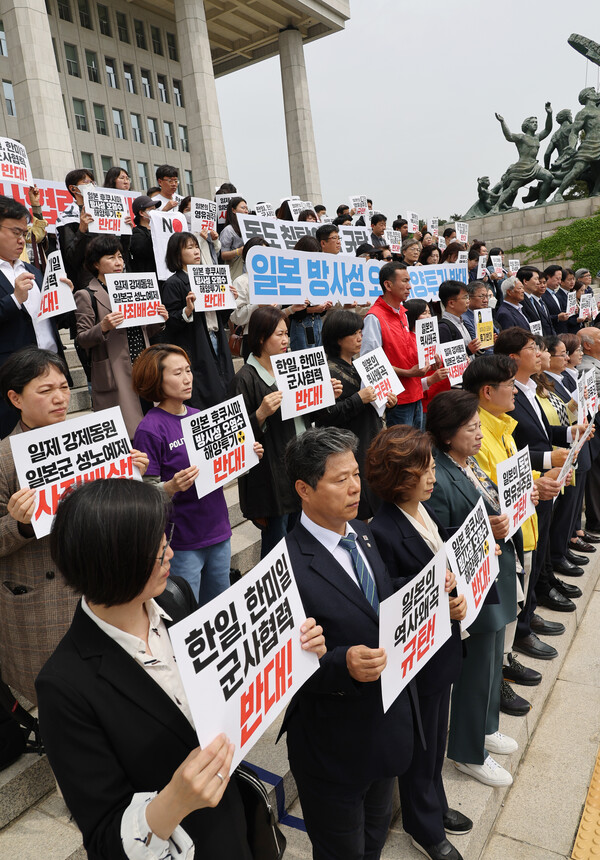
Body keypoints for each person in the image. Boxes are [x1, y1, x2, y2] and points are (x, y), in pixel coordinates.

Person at [36, 478, 325, 859]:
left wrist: (289, 649)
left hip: (233, 826)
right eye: (158, 552)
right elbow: (105, 840)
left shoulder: (175, 598)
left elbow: (225, 677)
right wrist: (173, 801)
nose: (171, 553)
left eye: (165, 539)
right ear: (115, 566)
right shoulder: (64, 685)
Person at [281, 427, 418, 860]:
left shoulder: (360, 531)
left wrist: (426, 588)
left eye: (356, 474)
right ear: (304, 488)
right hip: (333, 748)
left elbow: (376, 595)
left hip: (383, 730)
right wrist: (343, 663)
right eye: (340, 479)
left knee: (374, 837)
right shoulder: (283, 568)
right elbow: (281, 669)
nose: (356, 487)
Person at [367, 426, 469, 860]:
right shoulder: (383, 530)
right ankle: (423, 826)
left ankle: (435, 801)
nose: (432, 477)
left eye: (431, 467)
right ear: (396, 478)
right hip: (417, 659)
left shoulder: (422, 513)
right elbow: (390, 596)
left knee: (434, 740)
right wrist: (436, 600)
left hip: (441, 648)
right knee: (422, 743)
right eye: (422, 470)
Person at [426, 390, 519, 787]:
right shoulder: (439, 475)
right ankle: (467, 751)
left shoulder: (471, 462)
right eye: (471, 428)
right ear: (447, 434)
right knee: (477, 664)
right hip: (471, 583)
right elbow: (442, 536)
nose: (480, 435)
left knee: (493, 656)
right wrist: (486, 531)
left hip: (493, 572)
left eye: (480, 426)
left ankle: (486, 725)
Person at [460, 356, 555, 706]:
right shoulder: (478, 435)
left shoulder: (501, 424)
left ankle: (505, 661)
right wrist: (533, 487)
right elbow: (489, 490)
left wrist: (536, 482)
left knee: (515, 604)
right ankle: (497, 674)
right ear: (487, 391)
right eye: (509, 386)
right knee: (503, 610)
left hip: (521, 527)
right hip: (505, 536)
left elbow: (507, 478)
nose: (515, 391)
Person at [132, 345, 238, 603]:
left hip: (218, 528)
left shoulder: (199, 416)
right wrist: (171, 487)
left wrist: (244, 453)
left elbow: (219, 469)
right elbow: (145, 493)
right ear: (156, 380)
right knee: (187, 612)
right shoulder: (150, 428)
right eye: (177, 373)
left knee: (220, 605)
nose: (187, 378)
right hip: (183, 540)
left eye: (188, 371)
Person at [494, 328, 579, 624]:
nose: (540, 353)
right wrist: (546, 458)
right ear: (512, 357)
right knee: (530, 549)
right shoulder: (506, 396)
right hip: (529, 482)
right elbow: (511, 453)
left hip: (544, 479)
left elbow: (543, 433)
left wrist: (570, 432)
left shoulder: (528, 388)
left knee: (541, 544)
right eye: (533, 348)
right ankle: (525, 617)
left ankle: (538, 594)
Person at [228, 307, 307, 557]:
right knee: (277, 544)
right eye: (279, 335)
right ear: (261, 337)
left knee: (300, 538)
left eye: (287, 334)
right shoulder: (245, 378)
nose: (286, 340)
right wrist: (260, 414)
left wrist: (326, 394)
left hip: (299, 462)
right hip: (271, 474)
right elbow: (234, 435)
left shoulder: (291, 366)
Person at [75, 235, 167, 438]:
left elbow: (143, 330)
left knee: (151, 418)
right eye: (111, 257)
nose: (118, 262)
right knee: (126, 430)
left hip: (142, 363)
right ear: (95, 263)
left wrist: (158, 318)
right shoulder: (86, 294)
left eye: (120, 257)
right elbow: (82, 338)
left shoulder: (134, 286)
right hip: (113, 370)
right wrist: (103, 327)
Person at [0, 195, 73, 437]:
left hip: (50, 368)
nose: (22, 240)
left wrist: (64, 299)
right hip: (13, 379)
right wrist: (13, 299)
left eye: (25, 233)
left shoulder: (32, 270)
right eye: (16, 232)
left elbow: (52, 320)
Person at [315, 310, 396, 519]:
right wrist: (359, 398)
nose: (361, 338)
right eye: (354, 333)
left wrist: (387, 401)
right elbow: (326, 416)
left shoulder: (360, 366)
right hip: (348, 448)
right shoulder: (328, 372)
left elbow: (372, 403)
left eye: (361, 332)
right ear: (338, 338)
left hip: (370, 439)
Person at [162, 231, 235, 411]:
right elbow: (169, 323)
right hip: (195, 344)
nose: (196, 251)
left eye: (196, 247)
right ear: (177, 254)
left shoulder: (209, 277)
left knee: (225, 383)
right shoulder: (174, 283)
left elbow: (221, 317)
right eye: (189, 248)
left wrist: (229, 300)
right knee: (206, 390)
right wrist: (186, 311)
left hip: (216, 337)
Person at [362, 261, 431, 429]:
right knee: (402, 450)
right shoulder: (374, 317)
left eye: (409, 281)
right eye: (405, 281)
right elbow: (371, 363)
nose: (410, 286)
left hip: (415, 393)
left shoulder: (403, 313)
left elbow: (406, 351)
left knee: (417, 448)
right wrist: (408, 372)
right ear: (388, 285)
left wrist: (428, 357)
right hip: (397, 399)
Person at [56, 168, 96, 291]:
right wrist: (82, 231)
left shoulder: (103, 213)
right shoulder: (67, 217)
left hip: (110, 276)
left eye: (92, 183)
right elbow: (71, 256)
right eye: (86, 183)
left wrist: (126, 233)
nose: (91, 186)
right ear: (73, 188)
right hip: (85, 284)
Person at [437, 280, 481, 354]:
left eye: (468, 297)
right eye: (465, 297)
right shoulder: (443, 328)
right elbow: (448, 359)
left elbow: (471, 354)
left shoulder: (462, 322)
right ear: (451, 303)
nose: (468, 301)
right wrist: (468, 351)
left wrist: (482, 348)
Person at [178, 196, 221, 265]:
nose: (190, 213)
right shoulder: (180, 230)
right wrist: (200, 239)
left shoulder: (206, 229)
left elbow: (216, 250)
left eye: (193, 210)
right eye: (187, 210)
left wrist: (214, 240)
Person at [219, 197, 248, 281]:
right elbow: (223, 254)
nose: (246, 211)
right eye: (243, 208)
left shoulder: (248, 227)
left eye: (247, 208)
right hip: (236, 272)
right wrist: (238, 251)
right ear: (233, 210)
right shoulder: (228, 230)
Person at [130, 194, 160, 274]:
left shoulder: (160, 229)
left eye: (155, 209)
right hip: (150, 276)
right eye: (151, 209)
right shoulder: (136, 232)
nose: (155, 212)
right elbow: (144, 250)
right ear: (141, 213)